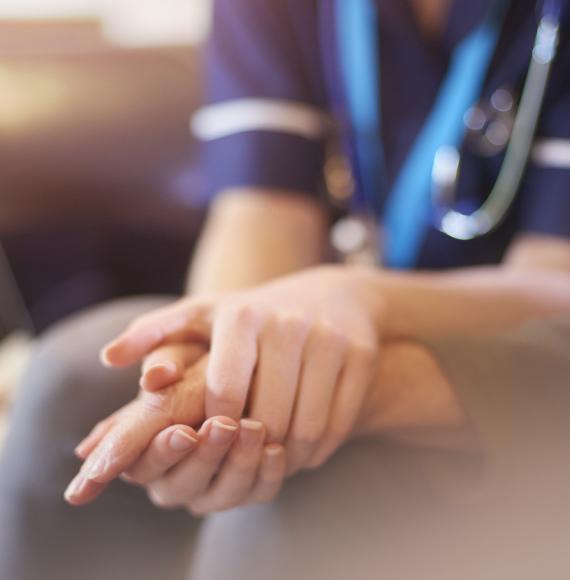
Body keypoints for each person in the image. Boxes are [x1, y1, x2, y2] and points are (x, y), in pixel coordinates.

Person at [1, 0, 570, 578]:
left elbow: (554, 287)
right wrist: (215, 359)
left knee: (312, 474)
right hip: (353, 307)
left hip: (529, 345)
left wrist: (357, 300)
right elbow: (261, 211)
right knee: (73, 378)